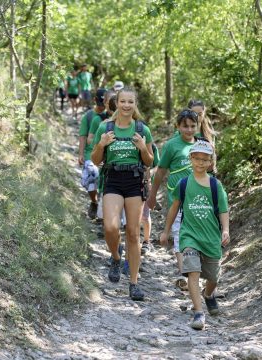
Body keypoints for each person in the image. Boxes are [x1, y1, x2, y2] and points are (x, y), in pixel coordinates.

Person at [91, 86, 154, 301]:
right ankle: (116, 257)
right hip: (113, 180)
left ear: (135, 105)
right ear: (116, 103)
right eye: (123, 101)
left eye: (131, 102)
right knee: (110, 226)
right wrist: (102, 144)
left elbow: (149, 161)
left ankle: (134, 283)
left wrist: (143, 148)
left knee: (134, 234)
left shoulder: (142, 129)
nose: (126, 105)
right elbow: (95, 160)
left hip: (134, 181)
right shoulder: (105, 127)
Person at [160, 140, 229, 330]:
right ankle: (199, 312)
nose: (200, 163)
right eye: (196, 158)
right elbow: (174, 209)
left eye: (204, 160)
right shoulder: (183, 184)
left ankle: (208, 295)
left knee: (214, 278)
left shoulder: (216, 186)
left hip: (211, 237)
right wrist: (166, 231)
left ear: (210, 162)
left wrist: (225, 230)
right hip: (189, 236)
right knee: (193, 272)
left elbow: (223, 210)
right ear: (190, 159)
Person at [147, 109, 199, 290]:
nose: (190, 130)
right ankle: (184, 273)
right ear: (178, 126)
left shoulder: (201, 144)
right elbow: (161, 171)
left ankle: (196, 271)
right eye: (185, 126)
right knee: (179, 235)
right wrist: (152, 194)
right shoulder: (171, 145)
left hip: (198, 201)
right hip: (177, 200)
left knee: (197, 236)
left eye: (193, 126)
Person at [79, 88, 107, 219]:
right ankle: (94, 201)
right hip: (91, 153)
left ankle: (102, 210)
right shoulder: (90, 116)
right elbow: (83, 136)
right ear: (95, 101)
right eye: (100, 105)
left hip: (106, 155)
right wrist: (80, 154)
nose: (102, 108)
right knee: (91, 176)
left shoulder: (110, 116)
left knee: (103, 181)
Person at [141, 140, 160, 255]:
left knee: (145, 214)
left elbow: (158, 166)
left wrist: (149, 174)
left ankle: (146, 241)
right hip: (130, 183)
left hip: (146, 186)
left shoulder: (152, 146)